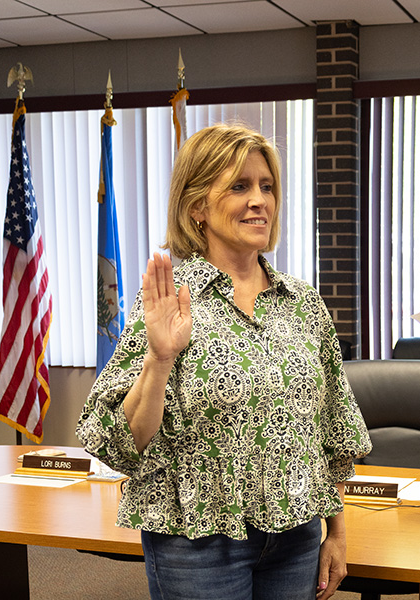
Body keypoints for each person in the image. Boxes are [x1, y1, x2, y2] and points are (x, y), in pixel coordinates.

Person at [77, 123, 371, 600]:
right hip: (198, 542)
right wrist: (159, 357)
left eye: (267, 186)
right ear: (197, 207)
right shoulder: (170, 302)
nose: (260, 200)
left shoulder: (303, 304)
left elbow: (331, 433)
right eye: (239, 186)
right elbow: (118, 443)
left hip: (295, 536)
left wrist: (335, 532)